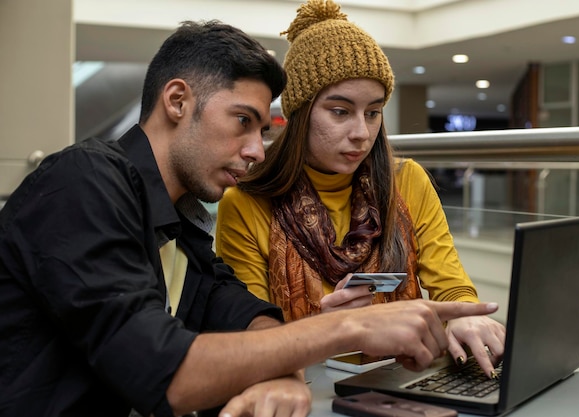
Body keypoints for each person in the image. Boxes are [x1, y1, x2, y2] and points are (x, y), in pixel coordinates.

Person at [0, 18, 499, 417]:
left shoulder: (178, 221)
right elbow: (162, 368)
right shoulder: (83, 180)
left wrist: (281, 368)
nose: (257, 151)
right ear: (177, 102)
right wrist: (351, 329)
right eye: (242, 122)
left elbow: (239, 313)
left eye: (262, 129)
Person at [215, 0, 506, 380]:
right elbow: (248, 340)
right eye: (340, 111)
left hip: (404, 378)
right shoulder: (246, 204)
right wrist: (325, 331)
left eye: (373, 112)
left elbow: (452, 288)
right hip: (303, 385)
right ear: (300, 114)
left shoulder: (408, 181)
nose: (361, 133)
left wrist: (466, 319)